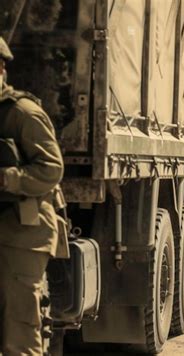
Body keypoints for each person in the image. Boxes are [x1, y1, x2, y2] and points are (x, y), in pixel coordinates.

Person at [0, 37, 64, 355]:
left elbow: (52, 169)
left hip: (22, 234)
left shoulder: (23, 113)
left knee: (19, 330)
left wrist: (7, 178)